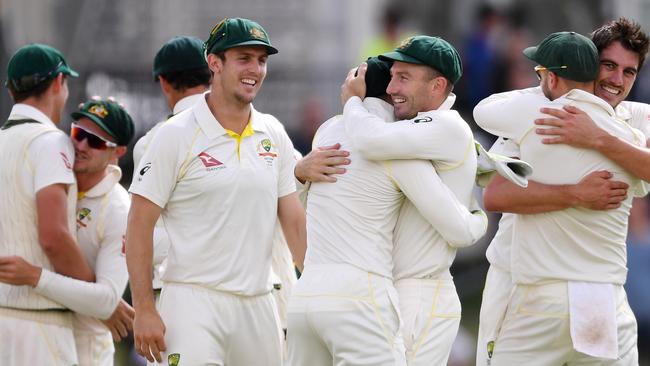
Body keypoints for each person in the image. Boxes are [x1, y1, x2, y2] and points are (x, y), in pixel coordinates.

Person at [286, 52, 488, 365]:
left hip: (305, 296)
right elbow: (457, 228)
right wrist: (479, 217)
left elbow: (307, 202)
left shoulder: (326, 132)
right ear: (388, 93)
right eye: (395, 79)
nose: (397, 87)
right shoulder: (394, 152)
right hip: (360, 296)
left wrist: (298, 174)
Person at [127, 17, 307, 365]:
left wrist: (319, 287)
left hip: (259, 305)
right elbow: (138, 223)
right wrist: (144, 310)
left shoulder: (272, 132)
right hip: (193, 304)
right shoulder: (174, 135)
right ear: (214, 63)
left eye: (262, 60)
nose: (255, 69)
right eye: (244, 58)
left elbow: (294, 223)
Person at [475, 18, 650, 366]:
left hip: (594, 288)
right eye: (609, 66)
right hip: (516, 278)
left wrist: (596, 137)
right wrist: (575, 193)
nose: (616, 81)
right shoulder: (537, 110)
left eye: (628, 72)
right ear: (588, 61)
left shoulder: (637, 120)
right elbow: (497, 196)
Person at [0, 97, 136, 365]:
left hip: (87, 351)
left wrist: (35, 277)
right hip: (35, 336)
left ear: (118, 152)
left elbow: (107, 299)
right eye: (78, 133)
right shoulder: (51, 179)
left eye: (95, 142)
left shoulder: (119, 209)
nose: (81, 146)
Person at [0, 43, 94, 365]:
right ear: (58, 83)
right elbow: (53, 236)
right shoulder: (51, 142)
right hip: (40, 324)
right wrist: (94, 295)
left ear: (12, 90)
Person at [132, 35, 211, 304]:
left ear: (164, 82)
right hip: (251, 291)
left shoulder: (151, 143)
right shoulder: (253, 127)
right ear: (213, 73)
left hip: (175, 290)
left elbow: (144, 232)